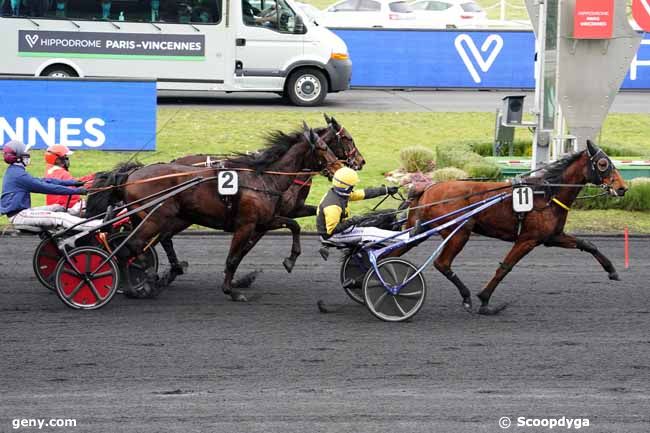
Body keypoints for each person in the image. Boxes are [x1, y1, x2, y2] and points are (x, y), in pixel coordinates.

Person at [1, 140, 102, 231]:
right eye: (25, 154)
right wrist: (76, 191)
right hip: (20, 216)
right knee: (60, 217)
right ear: (18, 158)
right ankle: (98, 225)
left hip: (22, 212)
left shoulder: (15, 172)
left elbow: (46, 181)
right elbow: (47, 188)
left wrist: (74, 183)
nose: (28, 156)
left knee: (58, 208)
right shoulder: (19, 175)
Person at [316, 167, 409, 245]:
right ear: (347, 187)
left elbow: (363, 194)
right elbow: (331, 231)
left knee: (371, 225)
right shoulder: (333, 206)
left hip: (339, 231)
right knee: (370, 233)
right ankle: (407, 237)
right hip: (332, 236)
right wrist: (353, 220)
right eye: (353, 185)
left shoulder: (337, 193)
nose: (354, 187)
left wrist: (385, 190)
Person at [44, 144, 94, 216]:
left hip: (56, 207)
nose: (67, 159)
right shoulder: (62, 173)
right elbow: (75, 187)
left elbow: (74, 182)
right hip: (67, 209)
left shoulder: (50, 171)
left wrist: (91, 177)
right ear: (57, 160)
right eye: (65, 157)